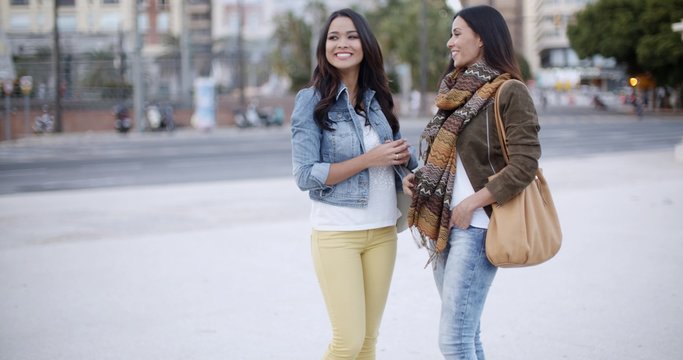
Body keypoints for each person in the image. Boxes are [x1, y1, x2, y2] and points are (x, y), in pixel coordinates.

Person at [403, 5, 541, 359]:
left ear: (481, 38)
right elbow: (448, 159)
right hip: (444, 226)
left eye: (457, 33)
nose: (450, 42)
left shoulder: (509, 92)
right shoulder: (453, 91)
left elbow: (525, 163)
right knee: (467, 333)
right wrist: (420, 179)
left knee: (454, 340)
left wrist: (473, 202)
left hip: (477, 227)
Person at [290, 8, 418, 360]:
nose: (342, 43)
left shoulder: (378, 101)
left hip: (382, 232)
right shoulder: (311, 101)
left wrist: (407, 177)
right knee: (347, 341)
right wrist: (369, 159)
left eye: (351, 36)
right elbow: (304, 175)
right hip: (336, 234)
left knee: (367, 342)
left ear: (365, 45)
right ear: (324, 48)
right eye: (333, 37)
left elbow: (399, 160)